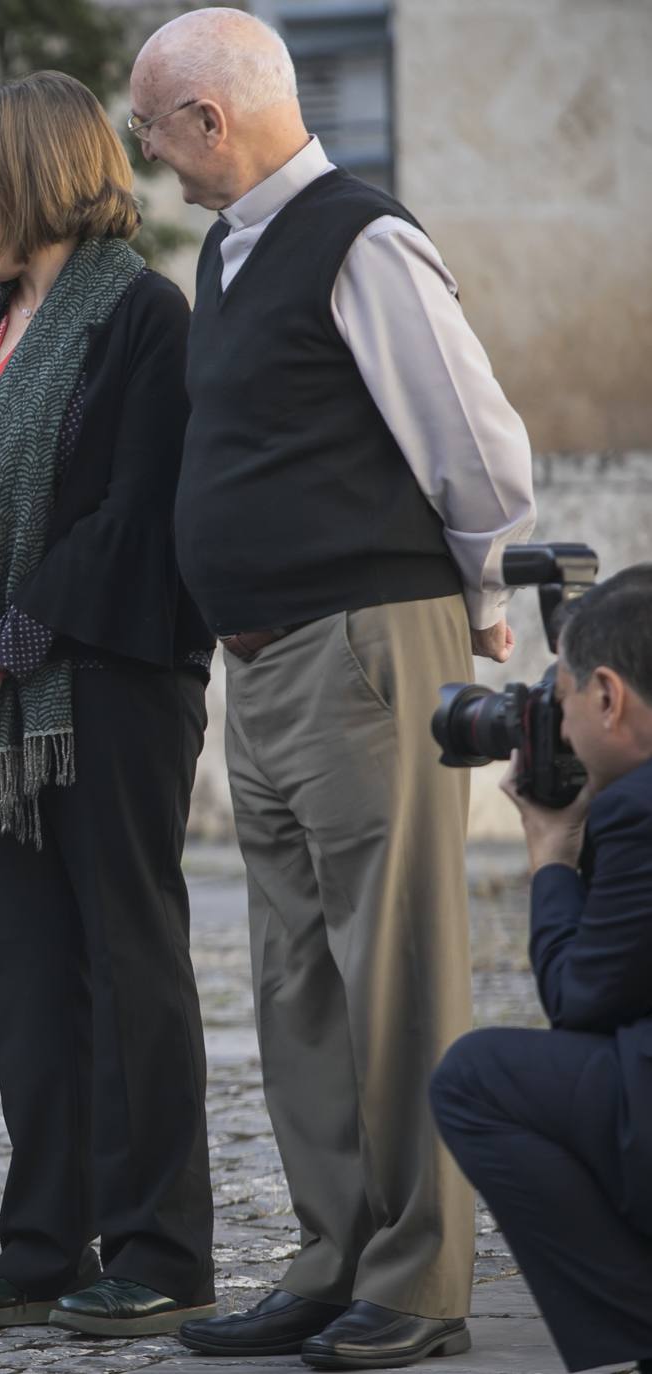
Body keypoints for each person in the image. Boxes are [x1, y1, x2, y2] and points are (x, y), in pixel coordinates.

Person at [129, 10, 538, 1368]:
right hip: (268, 660)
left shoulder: (357, 235)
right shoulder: (228, 248)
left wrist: (484, 590)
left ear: (209, 119)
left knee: (395, 964)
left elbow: (473, 436)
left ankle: (420, 1280)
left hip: (366, 642)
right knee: (297, 972)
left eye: (151, 126)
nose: (143, 153)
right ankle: (333, 1254)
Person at [0, 72, 216, 1339]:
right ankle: (40, 1245)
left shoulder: (140, 321)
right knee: (26, 979)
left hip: (107, 689)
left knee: (129, 967)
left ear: (37, 177)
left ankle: (162, 1248)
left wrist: (2, 651)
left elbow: (129, 520)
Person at [431, 566, 652, 1374]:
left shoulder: (636, 810)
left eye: (555, 702)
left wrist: (552, 854)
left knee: (475, 1077)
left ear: (607, 696)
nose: (550, 721)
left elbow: (580, 999)